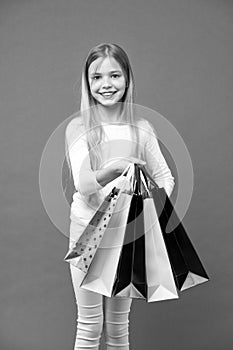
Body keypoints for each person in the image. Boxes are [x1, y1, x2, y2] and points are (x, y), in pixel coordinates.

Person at [65, 43, 175, 350]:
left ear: (127, 78)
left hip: (126, 238)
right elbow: (85, 186)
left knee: (118, 328)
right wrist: (116, 169)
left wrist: (146, 213)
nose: (106, 84)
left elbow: (165, 177)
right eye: (96, 77)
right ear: (88, 83)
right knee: (89, 326)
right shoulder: (79, 128)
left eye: (114, 75)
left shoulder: (142, 128)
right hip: (86, 234)